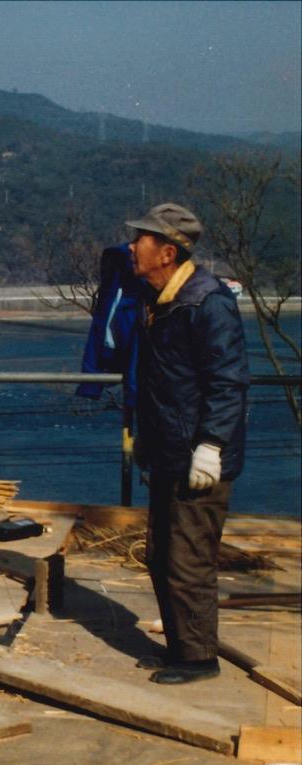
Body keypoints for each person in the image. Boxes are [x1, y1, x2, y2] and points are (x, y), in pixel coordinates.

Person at [126, 203, 249, 685]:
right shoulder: (160, 299)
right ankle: (180, 646)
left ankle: (198, 658)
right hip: (168, 450)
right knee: (162, 552)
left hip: (198, 454)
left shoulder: (206, 302)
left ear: (168, 252)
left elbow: (227, 381)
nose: (134, 246)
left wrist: (212, 445)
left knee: (188, 557)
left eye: (143, 239)